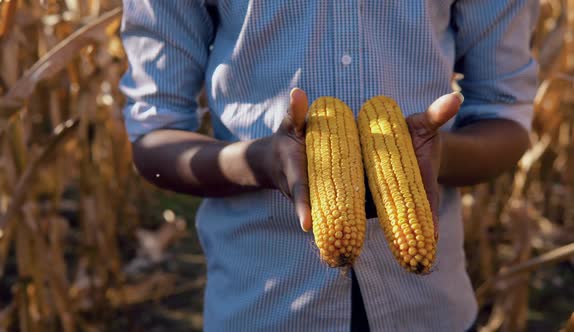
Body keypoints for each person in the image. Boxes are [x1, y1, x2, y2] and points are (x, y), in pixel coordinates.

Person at [119, 1, 539, 331]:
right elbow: (156, 136)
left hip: (428, 307)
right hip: (262, 304)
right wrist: (257, 162)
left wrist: (436, 155)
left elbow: (505, 118)